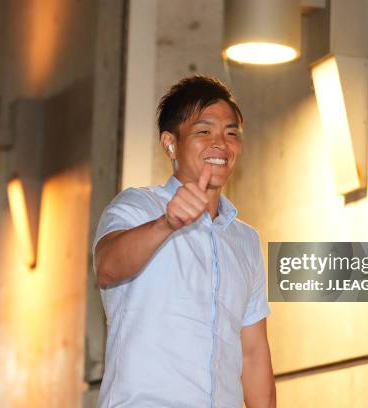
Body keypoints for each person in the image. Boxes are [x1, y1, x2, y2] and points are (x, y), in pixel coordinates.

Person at [93, 76, 275, 407]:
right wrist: (166, 223)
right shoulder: (137, 207)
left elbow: (253, 352)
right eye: (204, 131)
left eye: (231, 132)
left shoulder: (244, 240)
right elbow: (106, 267)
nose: (221, 143)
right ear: (170, 144)